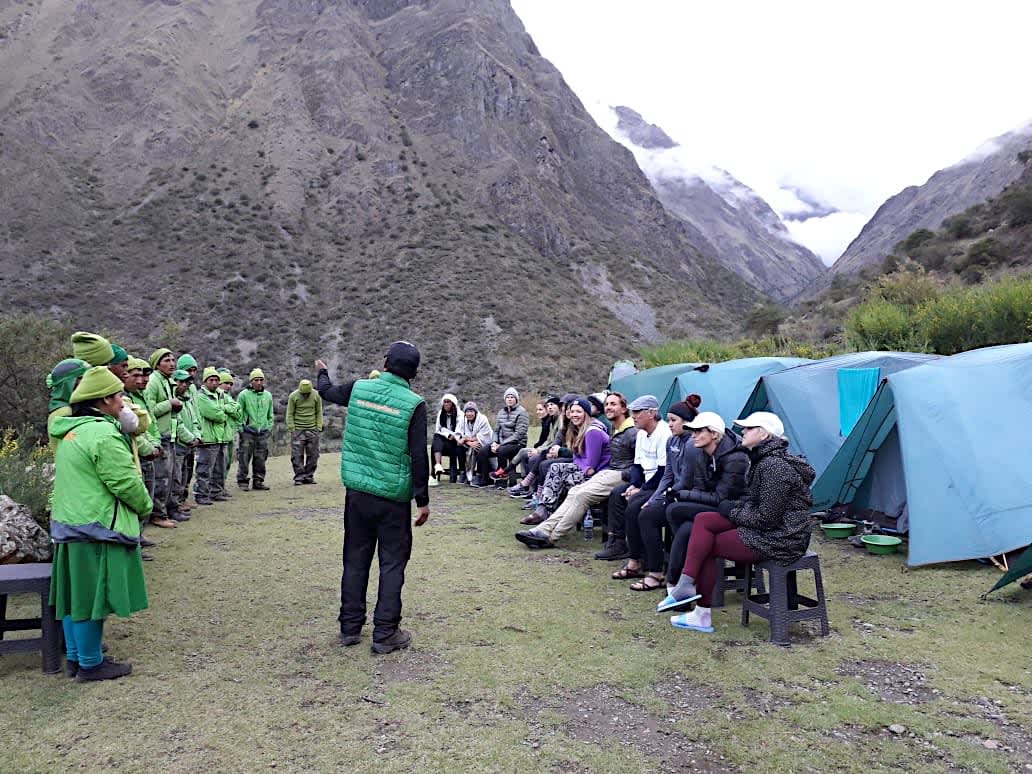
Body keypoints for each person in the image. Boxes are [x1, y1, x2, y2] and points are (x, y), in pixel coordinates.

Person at [315, 342, 430, 654]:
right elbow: (419, 455)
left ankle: (350, 628)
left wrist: (322, 372)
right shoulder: (414, 404)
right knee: (392, 564)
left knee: (355, 560)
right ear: (414, 372)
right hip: (393, 499)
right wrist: (423, 501)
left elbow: (327, 392)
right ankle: (385, 633)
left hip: (358, 494)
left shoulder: (360, 389)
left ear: (386, 362)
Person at [659, 411, 815, 633]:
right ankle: (686, 586)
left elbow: (767, 519)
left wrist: (732, 512)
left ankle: (698, 610)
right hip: (772, 530)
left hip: (781, 538)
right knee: (703, 520)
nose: (743, 431)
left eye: (749, 428)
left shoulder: (773, 467)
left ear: (763, 435)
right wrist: (734, 509)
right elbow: (754, 503)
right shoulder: (761, 459)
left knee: (706, 545)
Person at [49, 366, 152, 681]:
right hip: (95, 527)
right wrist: (145, 505)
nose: (123, 401)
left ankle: (78, 659)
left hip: (70, 524)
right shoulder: (103, 433)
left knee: (74, 596)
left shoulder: (70, 430)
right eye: (119, 395)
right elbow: (124, 482)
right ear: (105, 399)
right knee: (92, 596)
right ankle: (92, 665)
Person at [515, 392, 634, 548]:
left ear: (624, 409)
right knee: (569, 487)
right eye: (607, 404)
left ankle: (549, 535)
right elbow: (579, 457)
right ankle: (542, 528)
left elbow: (589, 466)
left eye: (613, 404)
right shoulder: (615, 429)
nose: (608, 407)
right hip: (608, 472)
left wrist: (635, 481)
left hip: (612, 473)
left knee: (570, 484)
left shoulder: (597, 431)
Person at [662, 411, 749, 589]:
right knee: (686, 528)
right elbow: (700, 488)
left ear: (714, 434)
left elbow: (721, 498)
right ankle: (677, 584)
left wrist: (681, 494)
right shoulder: (702, 453)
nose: (693, 436)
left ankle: (677, 582)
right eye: (693, 431)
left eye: (698, 431)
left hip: (733, 510)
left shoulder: (736, 458)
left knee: (675, 510)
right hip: (715, 506)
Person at [620, 399, 701, 590]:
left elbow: (686, 480)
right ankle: (642, 563)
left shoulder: (692, 444)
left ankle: (657, 572)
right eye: (670, 420)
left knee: (647, 515)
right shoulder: (672, 440)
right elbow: (668, 474)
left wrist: (664, 496)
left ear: (687, 422)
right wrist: (654, 497)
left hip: (686, 496)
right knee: (641, 508)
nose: (670, 424)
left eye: (674, 420)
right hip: (672, 492)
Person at [597, 394, 672, 563]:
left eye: (637, 412)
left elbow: (663, 471)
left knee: (634, 504)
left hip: (660, 485)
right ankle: (617, 543)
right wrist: (633, 485)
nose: (633, 416)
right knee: (617, 493)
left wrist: (642, 489)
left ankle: (640, 556)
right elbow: (637, 465)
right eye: (633, 412)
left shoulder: (663, 433)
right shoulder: (640, 434)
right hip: (646, 483)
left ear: (651, 413)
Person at [516, 398, 609, 526]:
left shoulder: (593, 431)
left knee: (561, 475)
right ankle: (544, 509)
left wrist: (577, 459)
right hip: (587, 469)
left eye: (579, 412)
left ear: (586, 413)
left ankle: (553, 514)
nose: (574, 415)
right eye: (572, 412)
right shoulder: (579, 429)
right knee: (555, 467)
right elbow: (580, 457)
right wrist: (578, 458)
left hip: (599, 475)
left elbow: (591, 467)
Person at [144, 348, 195, 523]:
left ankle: (171, 509)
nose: (172, 363)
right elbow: (148, 412)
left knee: (173, 476)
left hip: (171, 436)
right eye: (166, 360)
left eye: (173, 360)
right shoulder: (153, 382)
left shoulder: (167, 382)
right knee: (161, 477)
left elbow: (175, 417)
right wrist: (169, 403)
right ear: (157, 364)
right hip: (161, 436)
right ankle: (158, 514)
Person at [194, 367, 235, 505]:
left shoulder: (221, 395)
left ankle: (216, 492)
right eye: (211, 380)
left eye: (217, 380)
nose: (214, 383)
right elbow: (216, 414)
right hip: (207, 438)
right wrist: (225, 412)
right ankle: (201, 494)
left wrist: (223, 410)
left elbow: (237, 409)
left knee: (219, 468)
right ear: (205, 381)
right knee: (205, 469)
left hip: (220, 437)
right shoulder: (201, 396)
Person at [477, 387, 528, 488]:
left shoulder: (522, 412)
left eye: (512, 397)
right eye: (507, 397)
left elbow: (519, 434)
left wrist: (501, 444)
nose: (509, 399)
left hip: (517, 444)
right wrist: (494, 442)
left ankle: (502, 480)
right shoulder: (501, 412)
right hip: (501, 444)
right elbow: (496, 430)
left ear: (516, 399)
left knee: (502, 451)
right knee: (483, 451)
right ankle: (485, 479)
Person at [237, 368, 274, 491]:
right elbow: (239, 413)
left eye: (261, 380)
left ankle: (258, 481)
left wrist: (268, 428)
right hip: (248, 432)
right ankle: (243, 481)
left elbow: (270, 414)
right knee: (244, 457)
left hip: (262, 432)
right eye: (256, 380)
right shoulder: (243, 395)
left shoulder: (268, 396)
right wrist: (241, 428)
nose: (259, 382)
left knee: (261, 458)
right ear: (251, 381)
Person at [286, 379, 324, 485]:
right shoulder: (293, 396)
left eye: (308, 394)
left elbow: (319, 411)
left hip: (312, 429)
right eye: (304, 394)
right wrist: (291, 428)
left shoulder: (316, 395)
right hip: (298, 429)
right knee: (297, 455)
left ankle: (309, 476)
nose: (306, 395)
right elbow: (290, 413)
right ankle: (299, 477)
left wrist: (319, 426)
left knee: (313, 454)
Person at [455, 401, 493, 484]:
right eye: (467, 412)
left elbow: (484, 436)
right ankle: (463, 472)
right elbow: (458, 437)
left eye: (471, 411)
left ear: (475, 412)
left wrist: (466, 439)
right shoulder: (462, 420)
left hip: (483, 443)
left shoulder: (482, 419)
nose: (469, 414)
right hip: (469, 443)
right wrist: (468, 442)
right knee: (459, 448)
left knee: (478, 447)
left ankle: (479, 474)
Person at [430, 393, 461, 485]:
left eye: (448, 402)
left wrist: (447, 433)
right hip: (444, 442)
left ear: (453, 404)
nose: (446, 404)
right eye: (444, 402)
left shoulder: (460, 415)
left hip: (455, 443)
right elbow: (437, 430)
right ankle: (438, 466)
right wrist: (447, 434)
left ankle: (434, 473)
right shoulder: (441, 413)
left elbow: (458, 433)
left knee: (434, 446)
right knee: (436, 439)